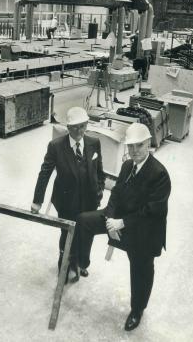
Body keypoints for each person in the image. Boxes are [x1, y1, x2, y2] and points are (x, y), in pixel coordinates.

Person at [77, 123, 171, 331]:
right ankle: (81, 262)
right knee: (84, 220)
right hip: (120, 217)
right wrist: (110, 216)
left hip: (144, 228)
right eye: (131, 146)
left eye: (139, 145)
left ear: (148, 144)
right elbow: (117, 193)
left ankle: (137, 309)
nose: (135, 151)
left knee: (141, 268)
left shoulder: (159, 174)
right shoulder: (128, 165)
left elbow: (152, 211)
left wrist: (123, 222)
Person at [31, 106, 106, 282]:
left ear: (87, 124)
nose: (79, 131)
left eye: (82, 126)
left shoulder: (94, 143)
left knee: (85, 234)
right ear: (67, 127)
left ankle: (80, 263)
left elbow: (100, 171)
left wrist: (99, 191)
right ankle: (64, 266)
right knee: (67, 235)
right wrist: (37, 201)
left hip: (89, 201)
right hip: (66, 200)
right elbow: (45, 173)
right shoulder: (56, 146)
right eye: (74, 127)